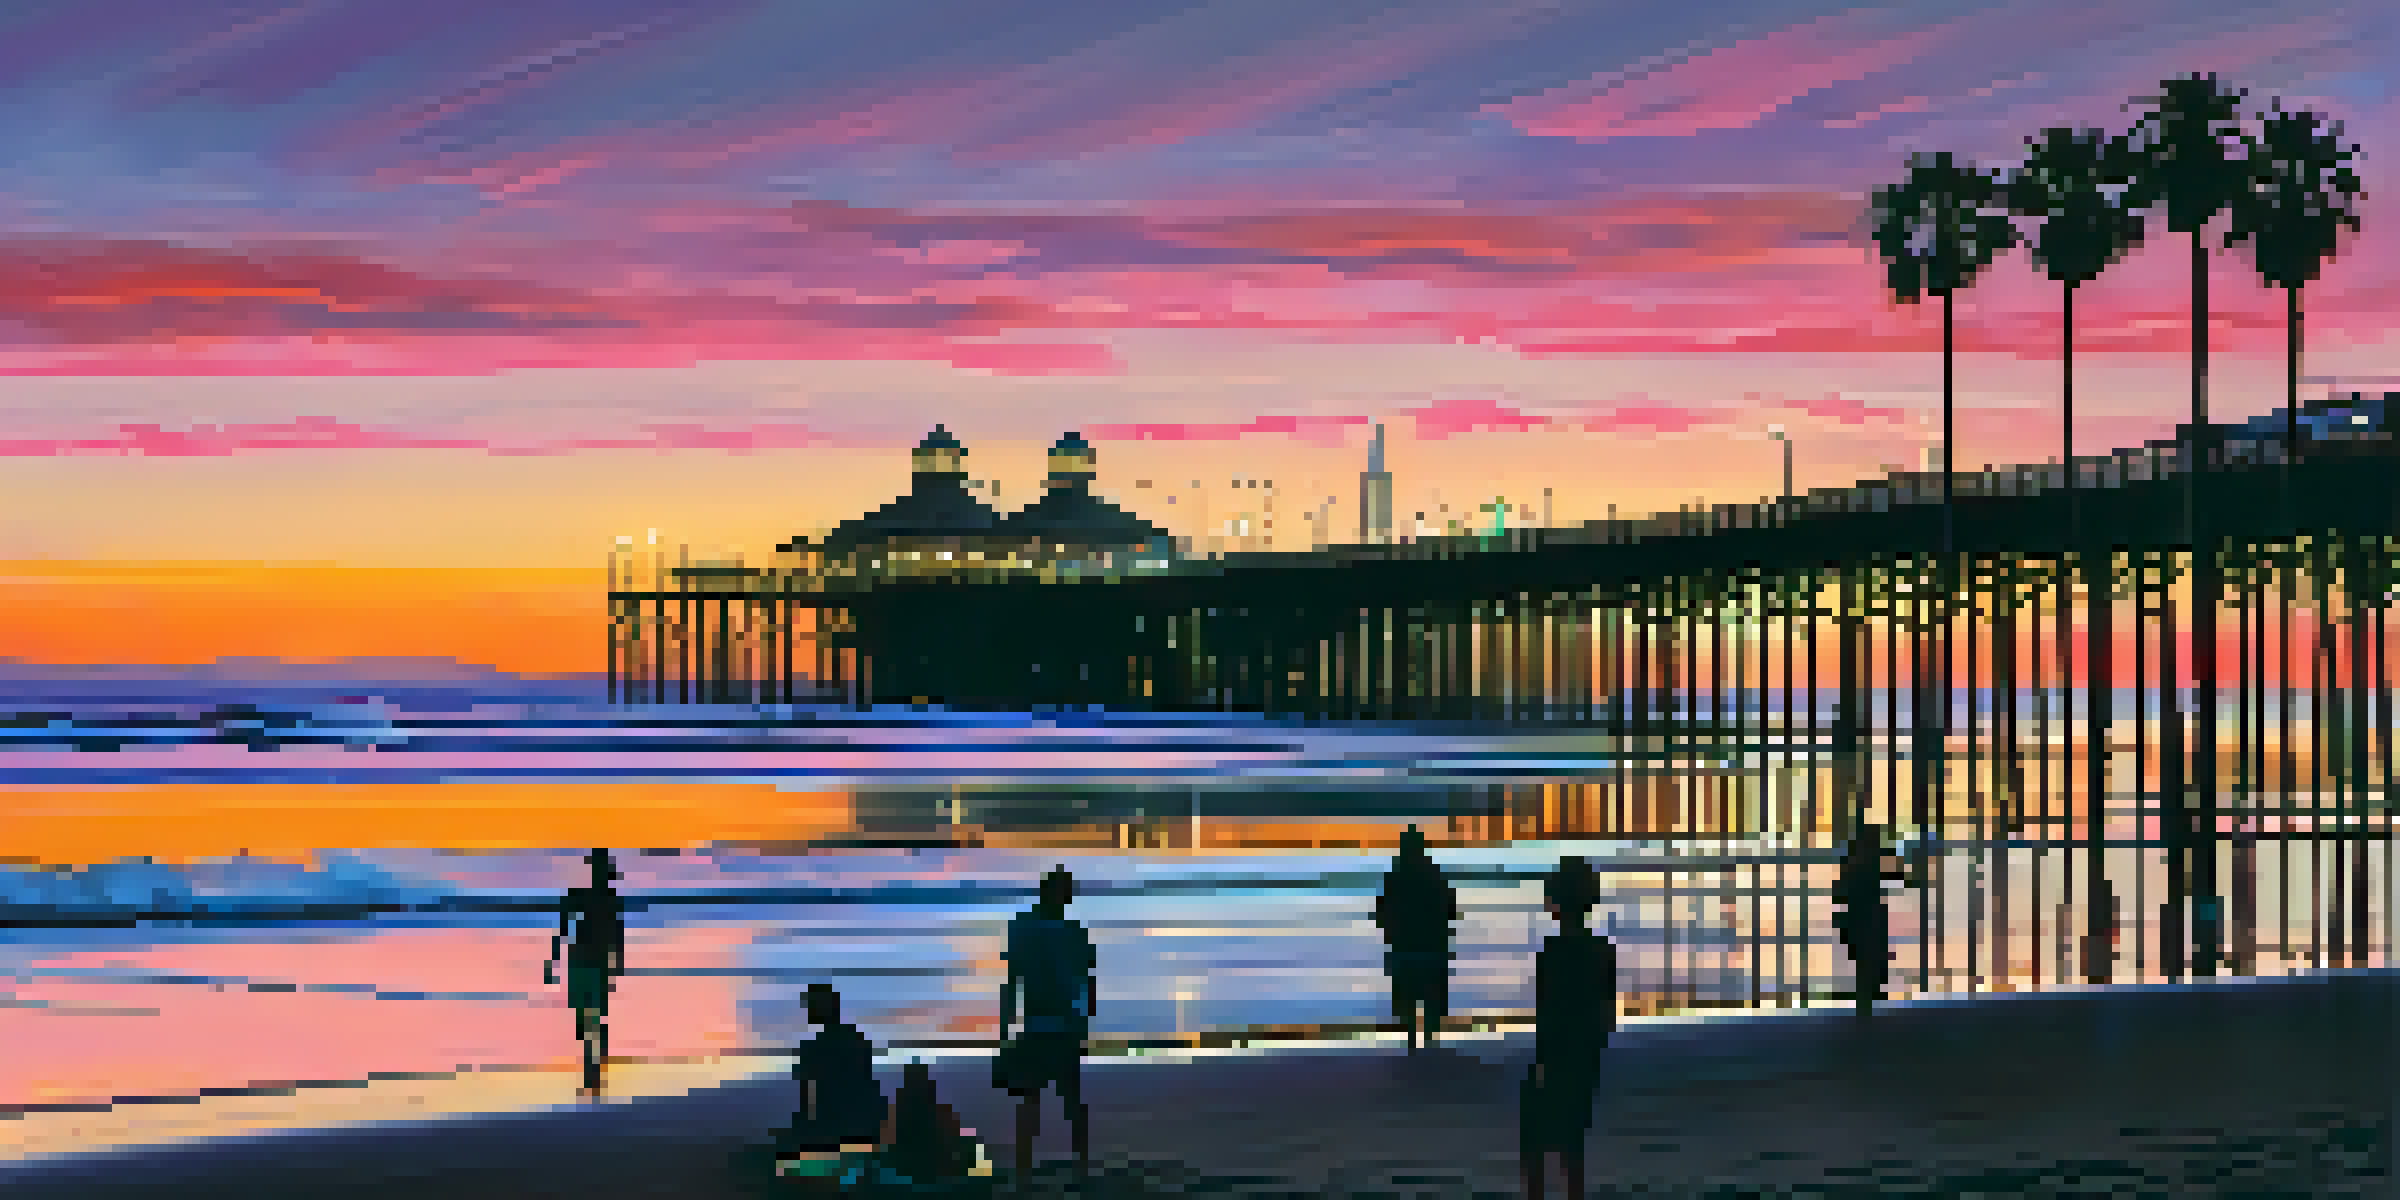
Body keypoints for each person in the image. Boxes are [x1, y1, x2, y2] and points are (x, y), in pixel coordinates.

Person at [1519, 856, 1616, 1200]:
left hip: (1558, 1051)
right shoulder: (1602, 950)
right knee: (1573, 1136)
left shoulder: (1553, 951)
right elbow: (1607, 1013)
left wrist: (1544, 1058)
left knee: (1534, 1135)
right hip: (1586, 1052)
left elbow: (1546, 1012)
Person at [996, 865, 1095, 1183]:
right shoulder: (1070, 932)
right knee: (1066, 1101)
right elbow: (1085, 983)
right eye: (1066, 893)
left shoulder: (1026, 928)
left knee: (1037, 1101)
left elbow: (1013, 981)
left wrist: (1004, 1030)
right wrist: (1083, 1024)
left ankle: (1028, 1170)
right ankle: (1078, 1167)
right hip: (1056, 1026)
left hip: (1043, 1026)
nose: (1068, 898)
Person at [543, 848, 626, 1096]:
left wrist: (615, 964)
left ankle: (594, 1069)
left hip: (591, 960)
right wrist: (554, 958)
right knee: (586, 1017)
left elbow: (615, 933)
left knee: (593, 1016)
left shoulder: (603, 898)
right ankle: (593, 1065)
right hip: (585, 959)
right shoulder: (584, 896)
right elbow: (563, 928)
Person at [1375, 825, 1461, 1051]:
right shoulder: (1434, 873)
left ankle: (1412, 1038)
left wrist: (1390, 934)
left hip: (1404, 946)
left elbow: (1383, 913)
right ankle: (1431, 1038)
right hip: (1433, 945)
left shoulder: (1395, 876)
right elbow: (1450, 909)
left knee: (1407, 994)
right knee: (1432, 994)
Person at [871, 1060, 989, 1186]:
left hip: (908, 1167)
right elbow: (954, 1136)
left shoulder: (897, 1111)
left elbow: (885, 1142)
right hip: (937, 1168)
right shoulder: (940, 1110)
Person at [1833, 823, 1892, 1018]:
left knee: (1863, 961)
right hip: (1869, 918)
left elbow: (1841, 892)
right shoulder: (1874, 865)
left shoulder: (1852, 864)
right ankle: (1866, 1003)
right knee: (1869, 960)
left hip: (1858, 918)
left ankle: (1864, 1004)